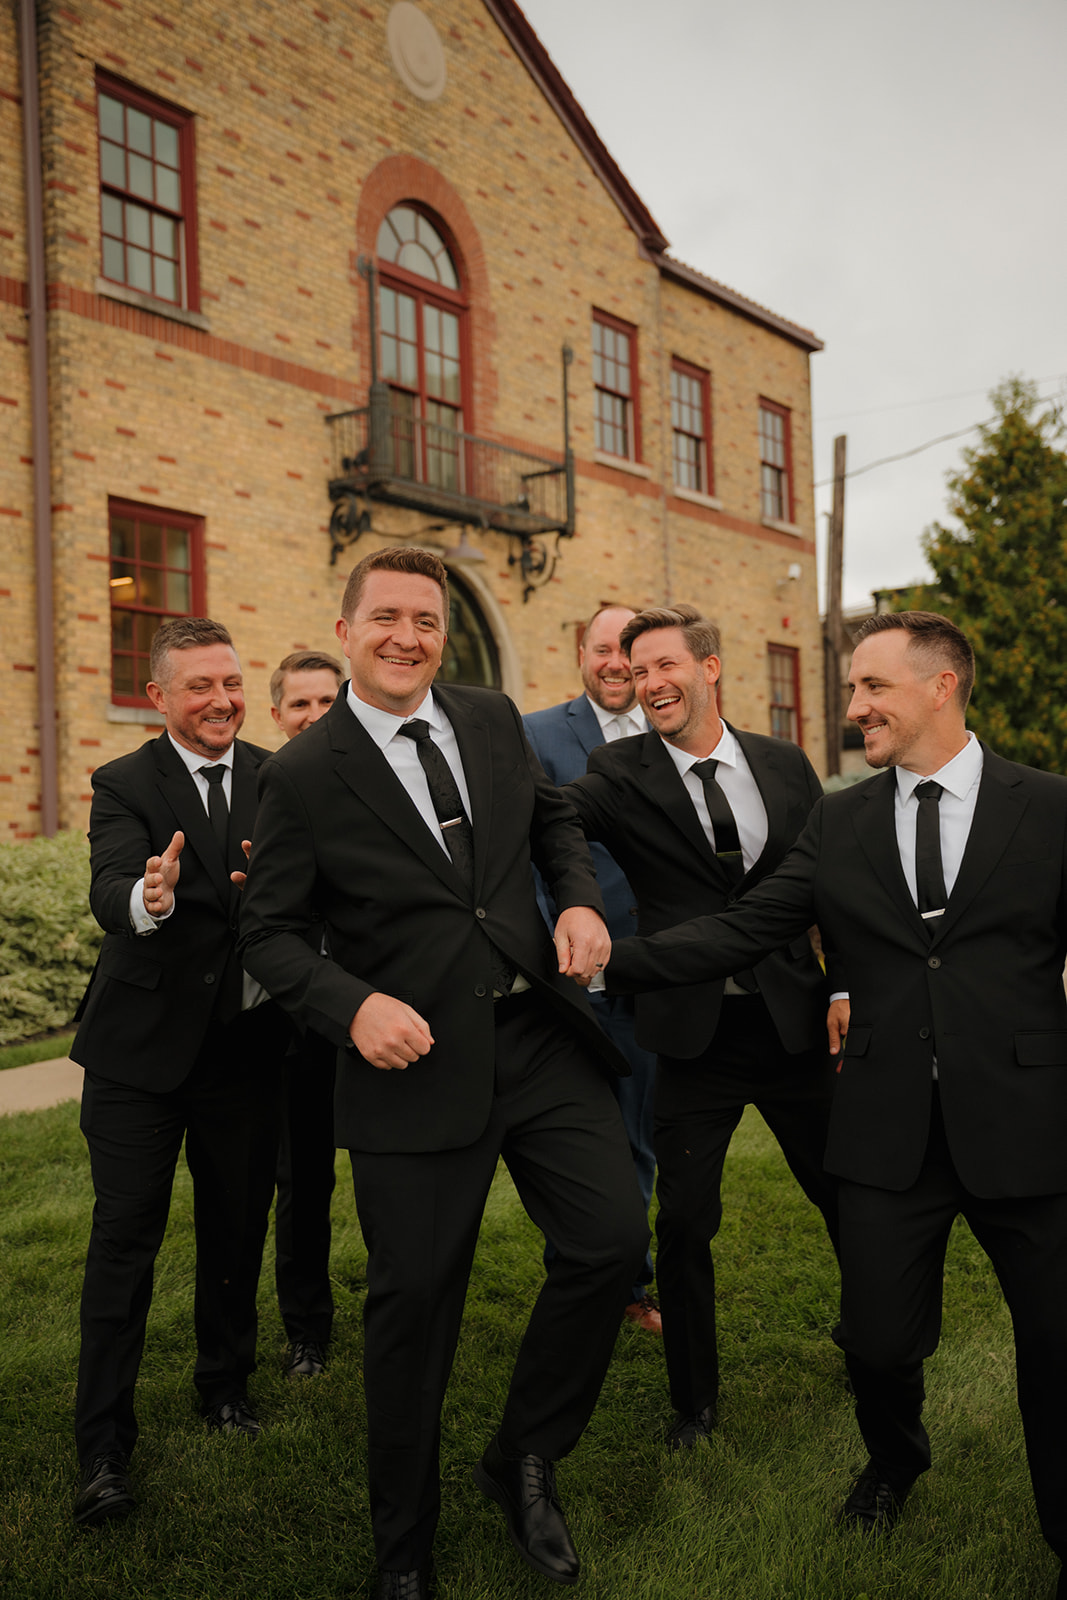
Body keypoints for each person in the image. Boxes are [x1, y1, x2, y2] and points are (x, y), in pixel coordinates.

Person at [606, 611, 1067, 1594]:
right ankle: (894, 1457)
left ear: (940, 686)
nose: (852, 707)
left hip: (1026, 1124)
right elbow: (745, 927)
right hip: (885, 1125)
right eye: (850, 687)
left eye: (870, 687)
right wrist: (611, 960)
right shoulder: (842, 818)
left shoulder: (1047, 807)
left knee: (1056, 1344)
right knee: (875, 1340)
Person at [237, 546, 647, 1600]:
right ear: (347, 626)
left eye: (424, 618)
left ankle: (521, 1453)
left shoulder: (486, 717)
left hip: (536, 1039)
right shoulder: (302, 771)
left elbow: (554, 819)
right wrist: (351, 1005)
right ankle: (403, 1550)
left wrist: (583, 902)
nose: (407, 636)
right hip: (411, 1061)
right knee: (414, 1307)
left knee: (607, 1243)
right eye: (386, 617)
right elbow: (270, 932)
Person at [565, 603, 837, 1449]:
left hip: (794, 1025)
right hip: (692, 1037)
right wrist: (575, 899)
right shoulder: (617, 771)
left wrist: (845, 987)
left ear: (709, 668)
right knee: (683, 1225)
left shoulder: (786, 765)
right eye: (634, 669)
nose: (647, 683)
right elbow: (552, 823)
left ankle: (874, 1335)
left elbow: (839, 884)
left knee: (850, 1196)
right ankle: (694, 1401)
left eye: (663, 666)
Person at [70, 618, 287, 1528]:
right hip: (138, 1057)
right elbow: (111, 885)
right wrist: (145, 897)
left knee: (236, 1232)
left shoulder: (280, 779)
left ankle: (225, 1386)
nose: (221, 701)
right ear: (158, 697)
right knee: (127, 1238)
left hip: (244, 1053)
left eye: (231, 682)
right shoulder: (124, 782)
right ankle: (103, 1448)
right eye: (198, 686)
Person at [523, 604, 661, 1335]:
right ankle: (583, 1282)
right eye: (602, 648)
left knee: (640, 1133)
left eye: (628, 651)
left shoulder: (670, 734)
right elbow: (529, 853)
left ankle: (629, 1285)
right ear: (579, 652)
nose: (615, 662)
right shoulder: (539, 735)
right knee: (582, 1142)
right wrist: (558, 941)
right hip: (574, 977)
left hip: (659, 973)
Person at [269, 650, 345, 1378]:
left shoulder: (373, 784)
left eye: (329, 702)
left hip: (378, 1014)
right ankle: (306, 1331)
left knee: (399, 1176)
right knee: (304, 1183)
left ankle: (405, 1305)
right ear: (279, 717)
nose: (316, 717)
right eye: (302, 705)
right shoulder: (263, 792)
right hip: (296, 1027)